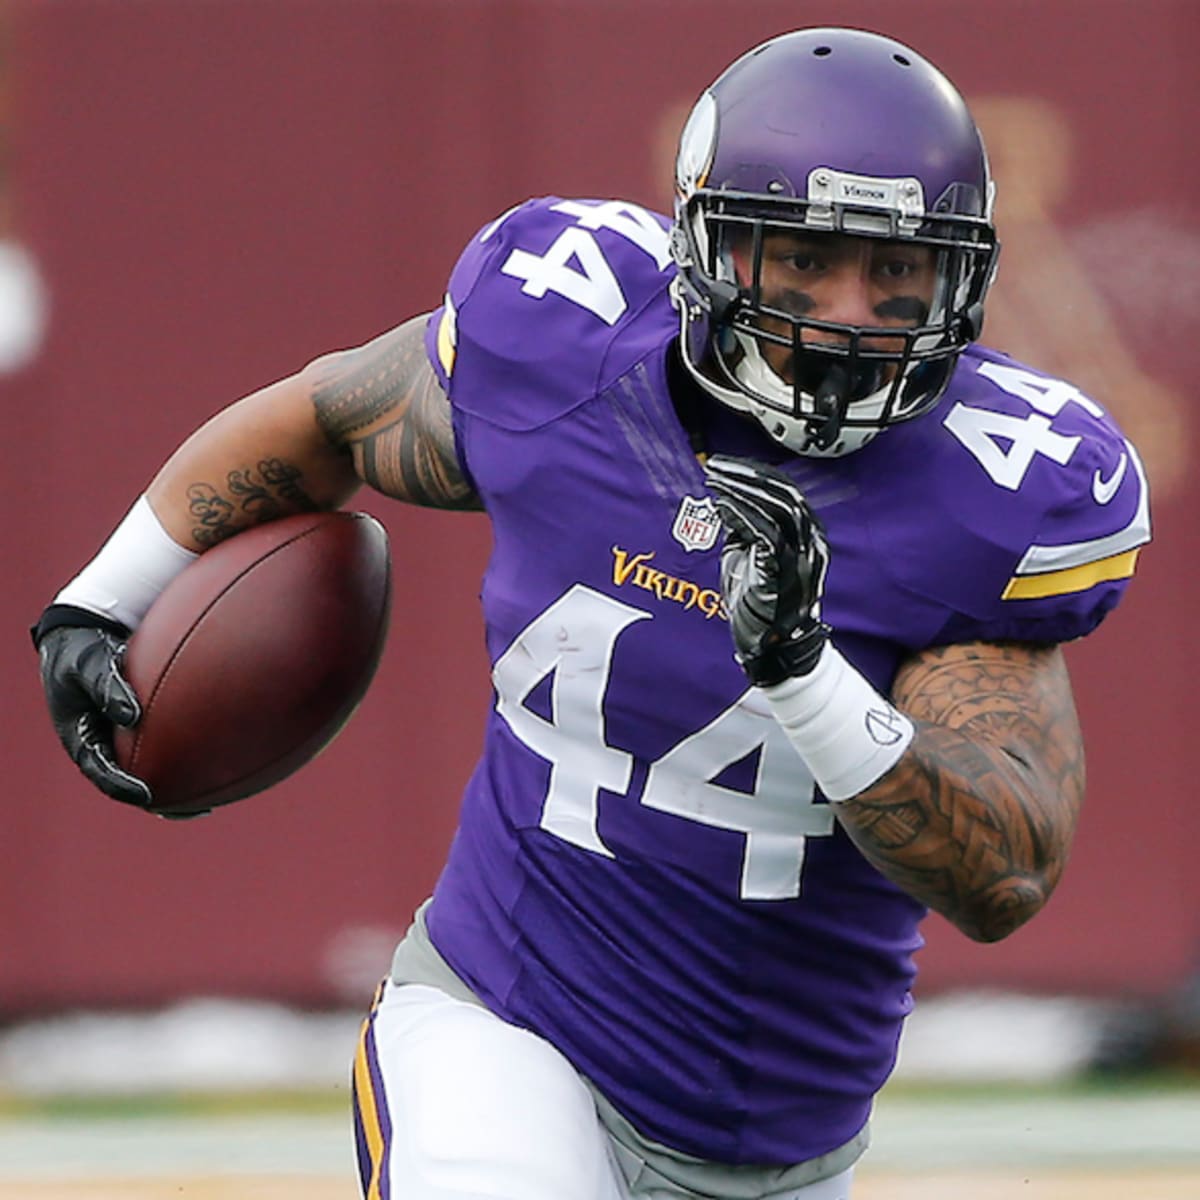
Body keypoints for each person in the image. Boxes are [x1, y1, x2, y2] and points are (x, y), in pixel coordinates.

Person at [34, 27, 1150, 1200]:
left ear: (959, 279)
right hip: (505, 1026)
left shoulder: (995, 495)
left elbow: (1005, 871)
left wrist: (803, 671)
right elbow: (323, 417)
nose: (849, 314)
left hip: (782, 1140)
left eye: (896, 271)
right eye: (805, 260)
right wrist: (102, 599)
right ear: (713, 249)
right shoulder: (566, 353)